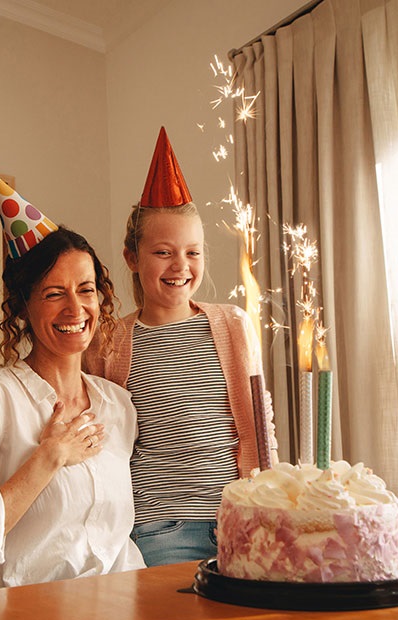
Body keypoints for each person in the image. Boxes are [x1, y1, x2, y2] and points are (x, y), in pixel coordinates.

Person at [0, 174, 145, 590]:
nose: (75, 308)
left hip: (118, 613)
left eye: (86, 290)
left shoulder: (117, 405)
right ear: (24, 307)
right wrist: (48, 458)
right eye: (53, 294)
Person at [84, 127, 277, 567]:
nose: (181, 266)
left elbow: (260, 425)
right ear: (132, 257)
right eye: (163, 253)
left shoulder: (231, 324)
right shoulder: (108, 341)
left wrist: (271, 503)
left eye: (193, 252)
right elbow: (101, 441)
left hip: (242, 519)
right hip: (160, 526)